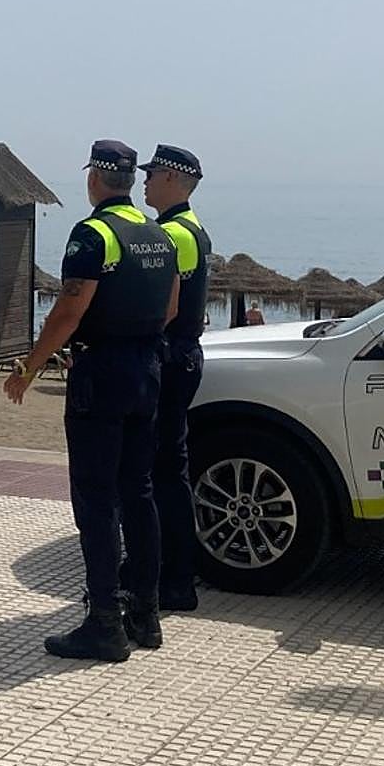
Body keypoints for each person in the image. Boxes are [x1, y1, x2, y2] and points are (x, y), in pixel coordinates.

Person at [4, 140, 179, 661]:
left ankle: (104, 620)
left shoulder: (94, 234)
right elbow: (170, 307)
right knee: (140, 492)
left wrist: (29, 366)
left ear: (94, 180)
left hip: (101, 372)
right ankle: (144, 614)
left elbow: (67, 312)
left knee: (97, 500)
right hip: (147, 369)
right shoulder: (158, 233)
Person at [137, 144, 211, 612]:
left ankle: (173, 577)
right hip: (183, 355)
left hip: (168, 357)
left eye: (150, 175)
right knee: (170, 468)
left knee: (162, 471)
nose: (143, 183)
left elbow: (163, 306)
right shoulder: (192, 228)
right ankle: (175, 572)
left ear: (169, 179)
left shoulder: (173, 235)